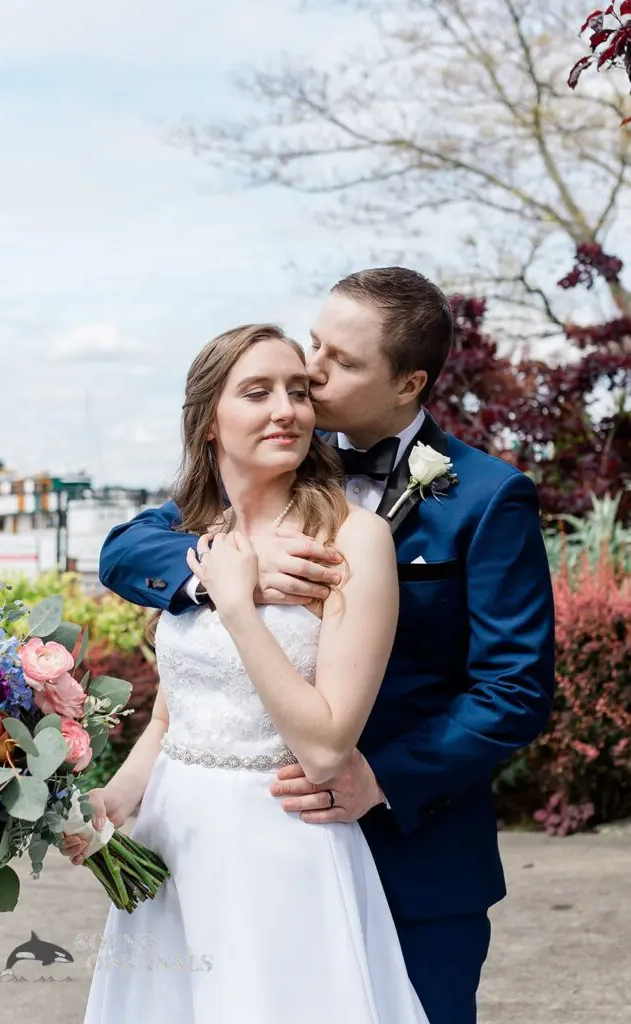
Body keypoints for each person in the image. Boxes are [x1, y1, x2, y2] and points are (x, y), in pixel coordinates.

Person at [95, 268, 556, 1024]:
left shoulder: (485, 497)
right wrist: (221, 576)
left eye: (339, 360)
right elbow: (126, 549)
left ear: (408, 383)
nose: (310, 371)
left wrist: (380, 778)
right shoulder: (271, 458)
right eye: (314, 343)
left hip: (413, 849)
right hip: (238, 847)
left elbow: (514, 689)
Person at [66, 323, 430, 1024]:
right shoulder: (195, 538)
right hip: (174, 840)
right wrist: (117, 796)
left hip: (280, 847)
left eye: (298, 391)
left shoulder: (353, 538)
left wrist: (237, 606)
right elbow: (174, 714)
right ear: (209, 420)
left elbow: (325, 747)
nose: (286, 410)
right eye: (257, 392)